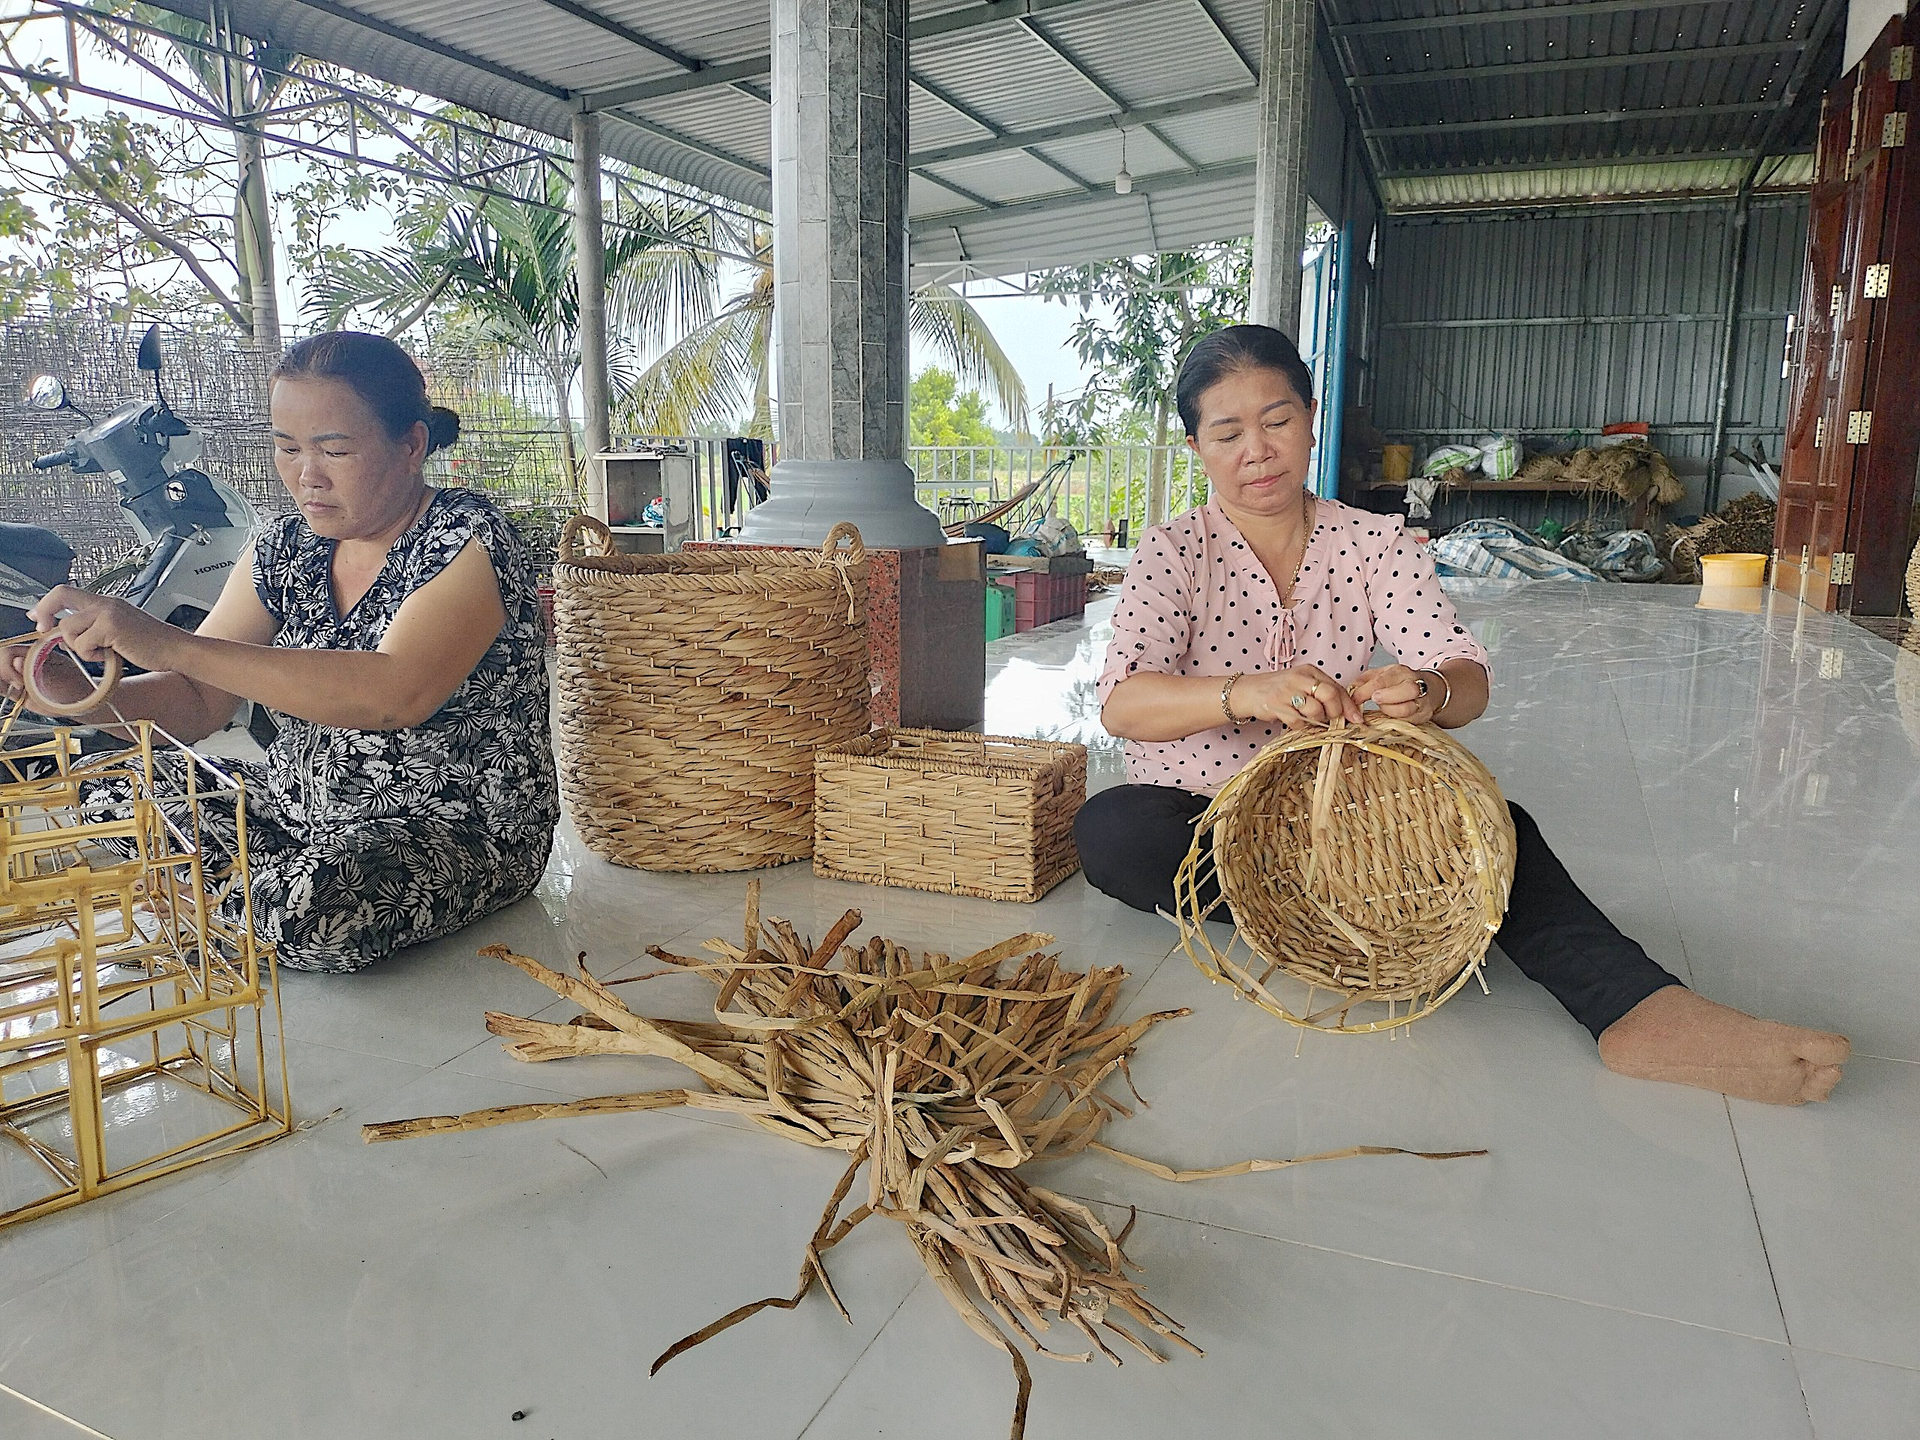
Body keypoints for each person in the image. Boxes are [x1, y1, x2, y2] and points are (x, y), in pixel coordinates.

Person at [1076, 323, 1850, 1105]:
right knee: (1113, 831)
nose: (1258, 450)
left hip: (1344, 818)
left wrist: (1428, 692)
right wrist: (1245, 690)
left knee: (1498, 827)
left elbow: (1464, 675)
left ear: (1311, 419)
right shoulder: (1171, 552)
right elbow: (1123, 703)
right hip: (1210, 821)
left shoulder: (1374, 542)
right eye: (1228, 431)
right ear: (1196, 446)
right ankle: (1339, 909)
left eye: (1277, 421)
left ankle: (1635, 1010)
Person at [13, 331, 559, 973]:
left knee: (311, 907)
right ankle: (240, 889)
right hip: (293, 810)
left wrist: (163, 640)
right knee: (104, 789)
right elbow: (198, 703)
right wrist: (70, 689)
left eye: (335, 450)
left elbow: (393, 694)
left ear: (411, 445)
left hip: (449, 829)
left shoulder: (468, 536)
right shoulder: (284, 546)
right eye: (287, 448)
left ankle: (223, 890)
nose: (307, 476)